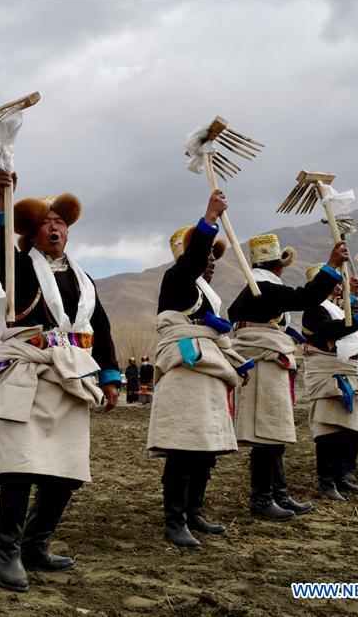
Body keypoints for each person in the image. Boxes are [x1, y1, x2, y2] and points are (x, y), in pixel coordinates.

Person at [0, 170, 120, 593]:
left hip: (73, 379)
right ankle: (7, 552)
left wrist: (111, 376)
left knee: (65, 471)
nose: (54, 226)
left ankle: (36, 545)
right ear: (30, 233)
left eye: (59, 221)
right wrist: (3, 201)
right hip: (31, 375)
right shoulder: (18, 269)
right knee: (19, 468)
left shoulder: (85, 280)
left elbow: (102, 329)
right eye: (44, 221)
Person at [146, 190, 254, 549]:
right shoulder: (175, 281)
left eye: (212, 255)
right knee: (183, 447)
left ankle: (193, 512)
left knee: (205, 448)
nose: (211, 260)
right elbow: (190, 264)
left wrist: (238, 364)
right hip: (184, 371)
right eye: (205, 254)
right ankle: (174, 520)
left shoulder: (208, 296)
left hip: (208, 372)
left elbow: (218, 337)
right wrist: (209, 218)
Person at [227, 234, 349, 520]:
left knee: (273, 433)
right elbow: (305, 297)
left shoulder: (258, 291)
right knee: (266, 434)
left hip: (269, 361)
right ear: (278, 267)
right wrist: (331, 265)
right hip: (263, 363)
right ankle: (262, 499)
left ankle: (278, 494)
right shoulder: (263, 289)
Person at [301, 266, 358, 501]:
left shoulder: (336, 307)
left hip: (345, 371)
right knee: (329, 429)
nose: (338, 285)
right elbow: (328, 332)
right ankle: (325, 480)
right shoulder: (313, 308)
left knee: (345, 430)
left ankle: (339, 476)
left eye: (339, 282)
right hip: (328, 372)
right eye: (334, 281)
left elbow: (349, 338)